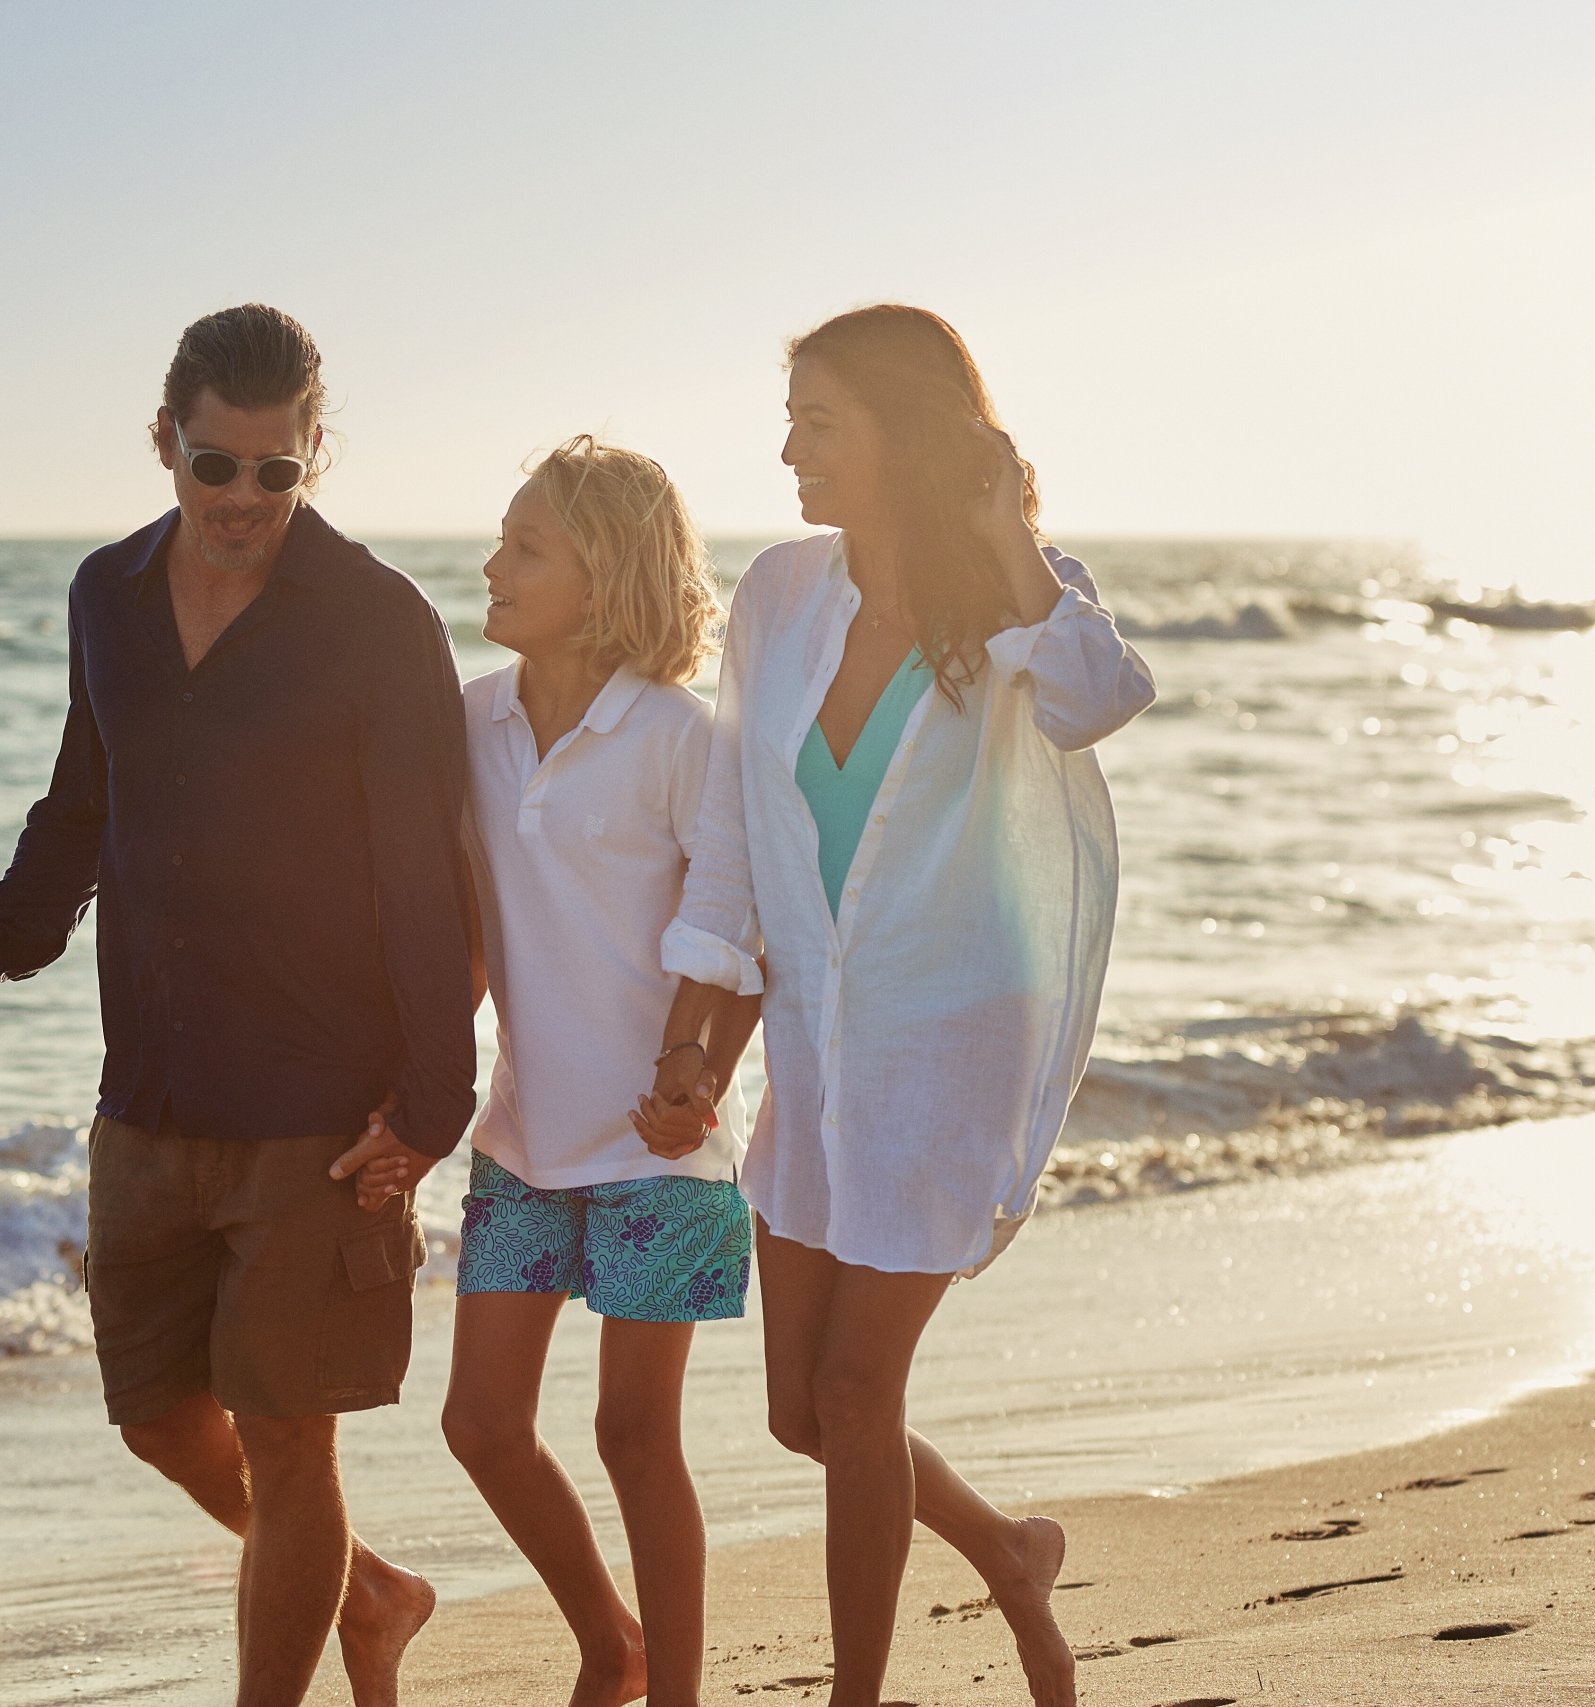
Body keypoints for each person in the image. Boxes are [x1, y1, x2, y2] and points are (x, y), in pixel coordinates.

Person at [0, 304, 471, 1707]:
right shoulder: (107, 594)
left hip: (318, 1100)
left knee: (288, 1433)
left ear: (316, 454)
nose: (246, 501)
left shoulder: (378, 620)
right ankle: (373, 1594)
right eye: (217, 467)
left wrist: (436, 1098)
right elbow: (86, 803)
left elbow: (427, 872)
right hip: (148, 1091)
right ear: (165, 444)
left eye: (279, 471)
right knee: (155, 1418)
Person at [636, 305, 1157, 1707]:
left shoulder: (1018, 595)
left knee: (861, 1395)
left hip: (954, 1034)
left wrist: (1008, 537)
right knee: (803, 1407)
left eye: (820, 421)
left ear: (904, 437)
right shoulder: (780, 595)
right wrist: (699, 1033)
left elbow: (1100, 698)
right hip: (817, 1042)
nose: (789, 447)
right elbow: (742, 835)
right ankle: (1008, 1550)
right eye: (791, 416)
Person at [352, 437, 760, 1707]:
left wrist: (697, 1074)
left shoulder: (683, 740)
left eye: (526, 545)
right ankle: (611, 1644)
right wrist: (406, 1097)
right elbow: (469, 934)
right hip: (522, 1137)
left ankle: (672, 1694)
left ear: (606, 576)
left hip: (664, 1154)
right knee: (479, 1424)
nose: (494, 562)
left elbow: (744, 935)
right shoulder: (468, 722)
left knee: (636, 1439)